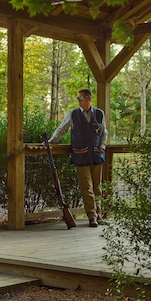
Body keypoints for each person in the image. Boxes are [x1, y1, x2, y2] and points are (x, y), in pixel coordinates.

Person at [48, 89, 108, 227]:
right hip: (81, 156)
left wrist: (102, 147)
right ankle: (92, 216)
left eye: (80, 98)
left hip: (97, 156)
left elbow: (104, 132)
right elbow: (62, 129)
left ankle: (99, 215)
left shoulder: (99, 113)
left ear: (89, 98)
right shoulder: (73, 114)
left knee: (97, 187)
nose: (78, 100)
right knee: (87, 187)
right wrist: (52, 140)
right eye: (78, 98)